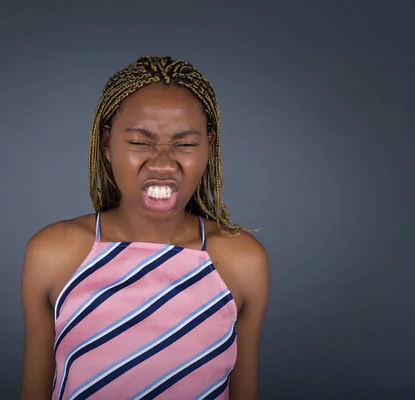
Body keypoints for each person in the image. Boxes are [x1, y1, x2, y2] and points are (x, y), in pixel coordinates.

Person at [20, 56, 269, 400]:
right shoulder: (54, 253)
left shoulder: (241, 261)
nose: (164, 163)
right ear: (107, 145)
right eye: (140, 142)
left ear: (208, 148)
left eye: (184, 144)